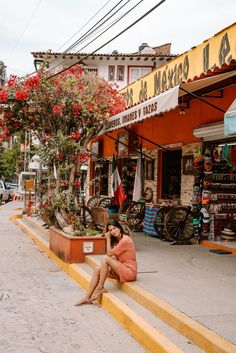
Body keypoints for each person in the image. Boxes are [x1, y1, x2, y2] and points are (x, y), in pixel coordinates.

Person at [75, 220, 137, 306]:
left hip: (129, 272)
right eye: (110, 230)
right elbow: (113, 257)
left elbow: (109, 253)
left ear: (119, 227)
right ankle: (87, 297)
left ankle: (100, 287)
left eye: (114, 228)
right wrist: (111, 267)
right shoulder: (116, 241)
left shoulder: (125, 240)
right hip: (121, 269)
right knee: (97, 269)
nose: (113, 231)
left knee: (105, 258)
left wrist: (107, 239)